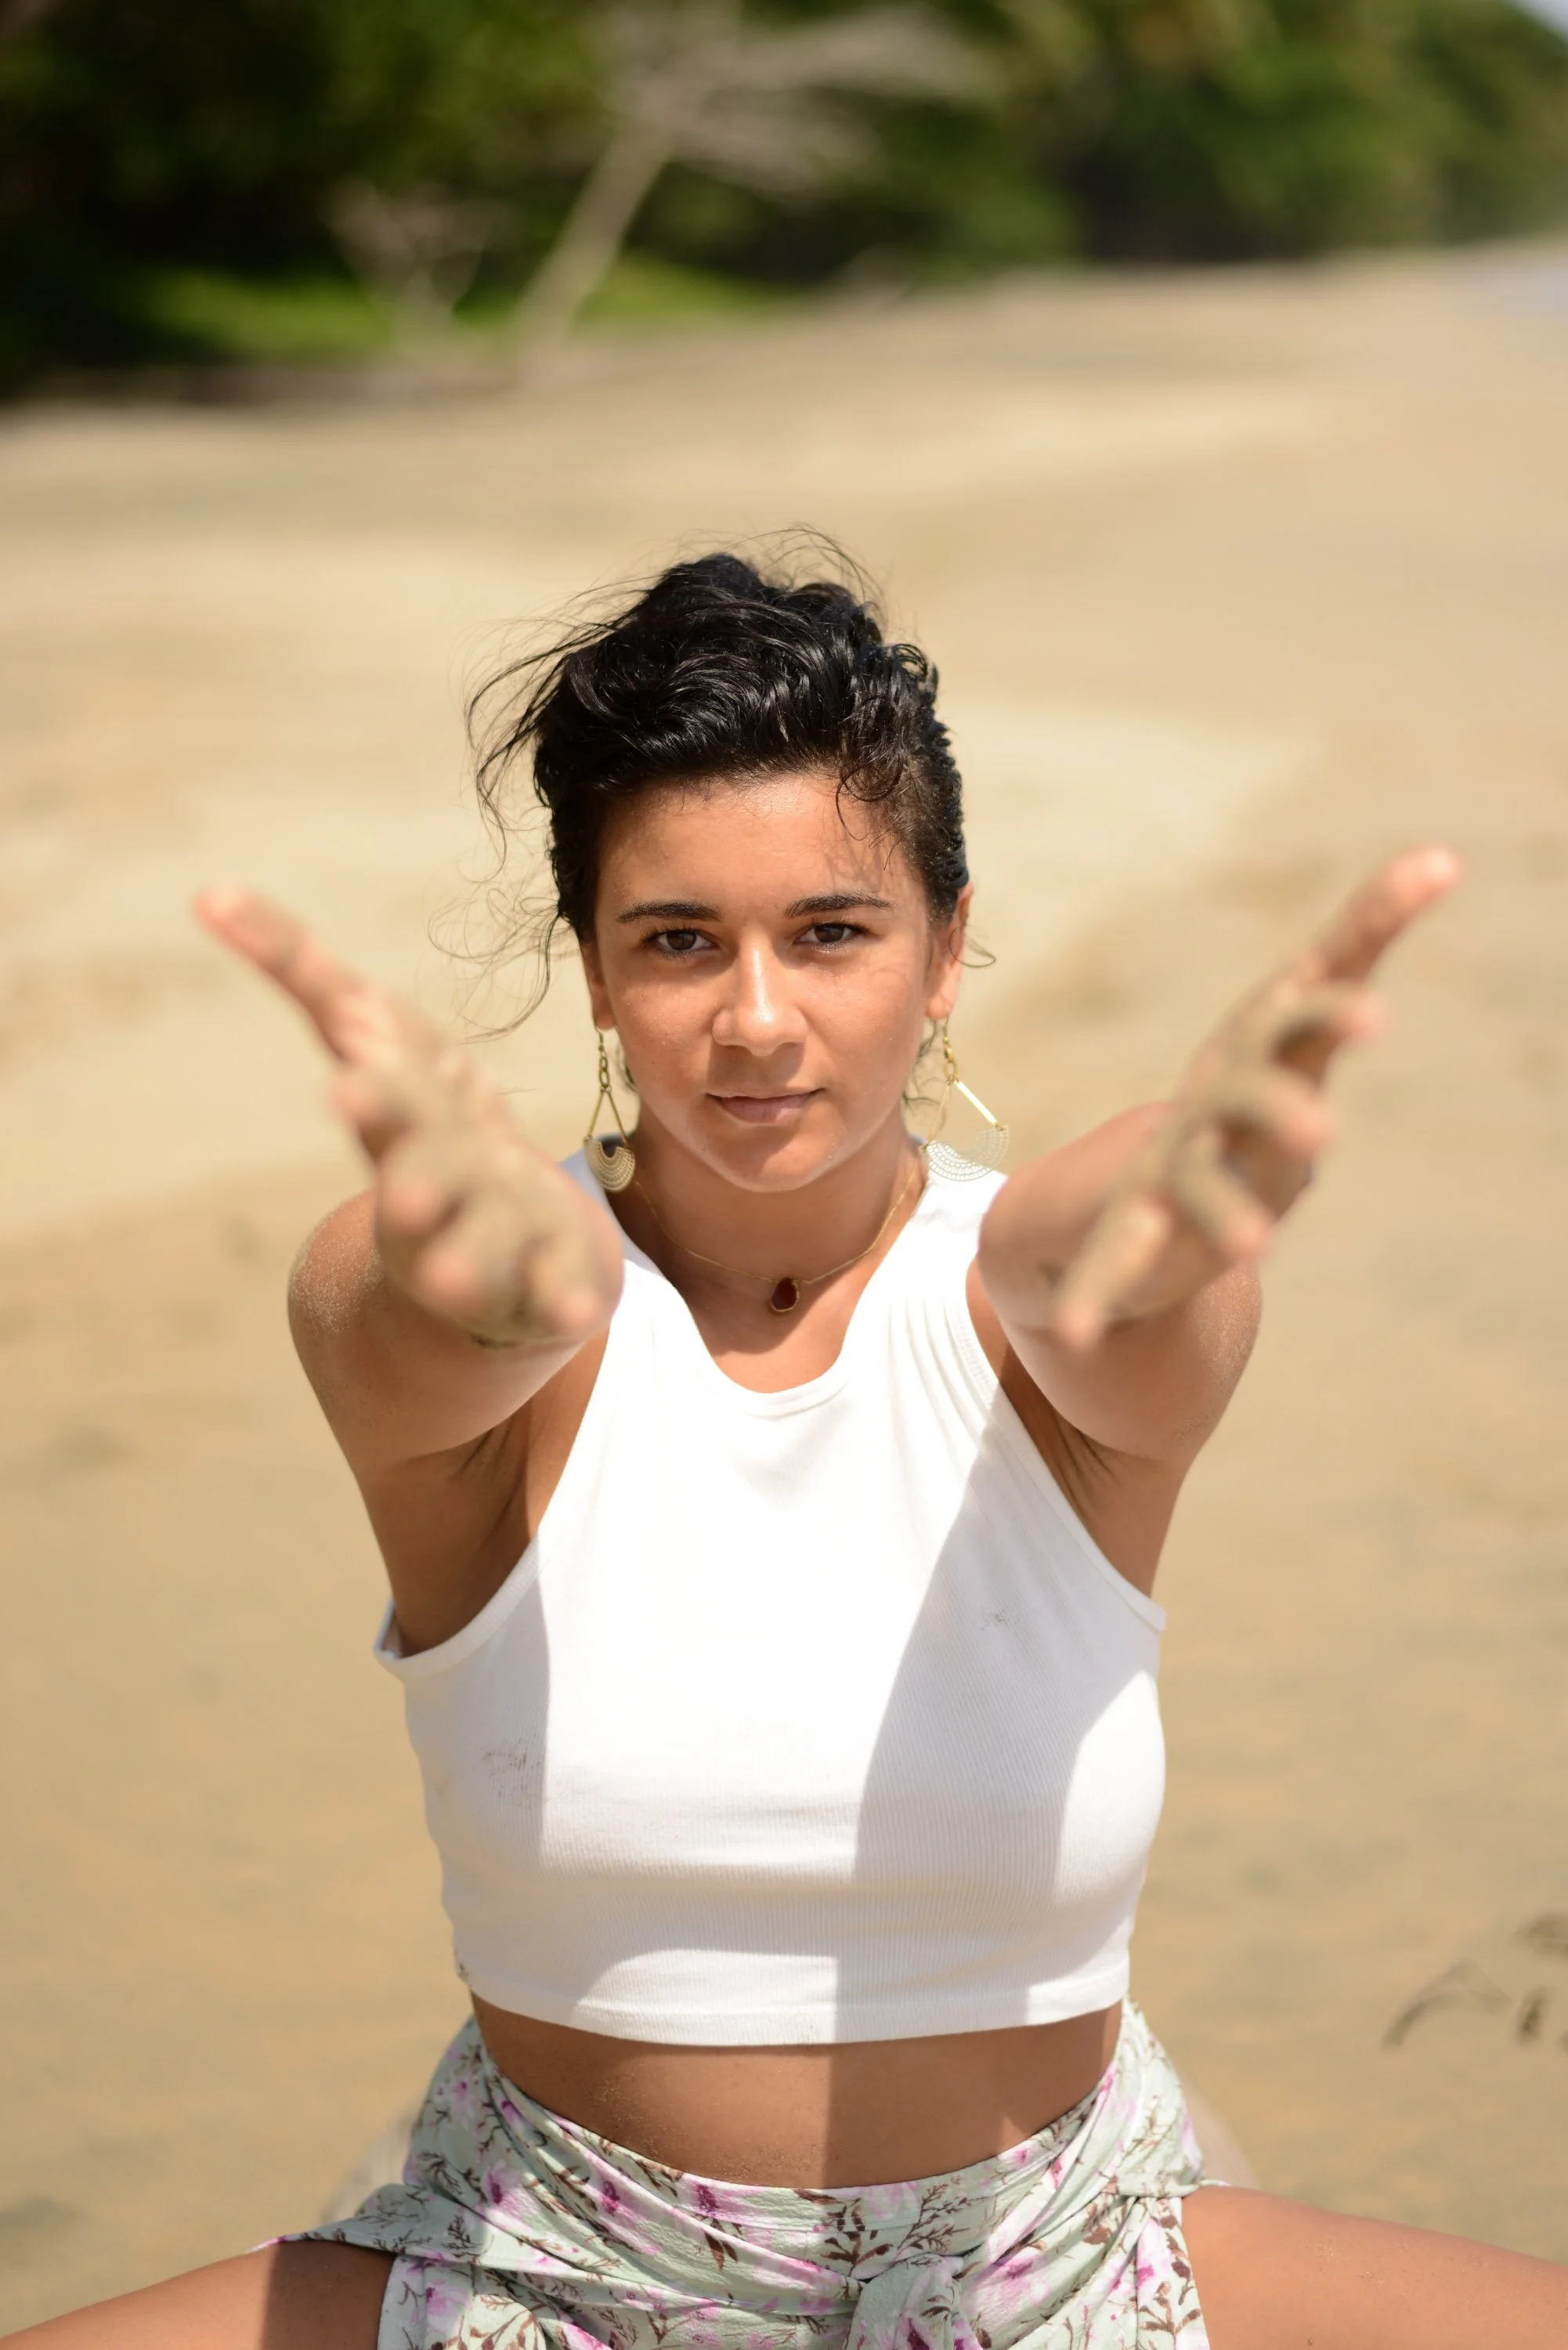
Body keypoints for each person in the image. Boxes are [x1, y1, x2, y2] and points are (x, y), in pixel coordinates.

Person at [10, 551, 1566, 2350]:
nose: (755, 1019)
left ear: (946, 947)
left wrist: (1164, 1202)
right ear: (594, 973)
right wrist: (491, 1278)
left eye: (831, 933)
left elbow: (1076, 1266)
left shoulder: (1044, 1311)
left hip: (1056, 2256)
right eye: (677, 942)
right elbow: (441, 1314)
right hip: (552, 2270)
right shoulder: (482, 1312)